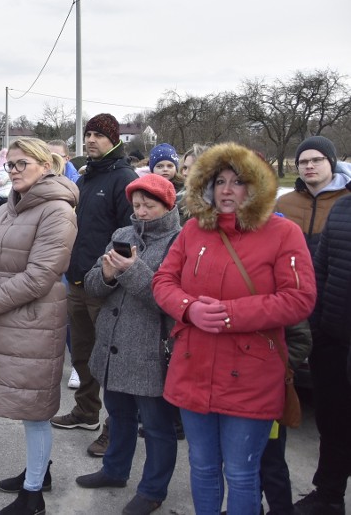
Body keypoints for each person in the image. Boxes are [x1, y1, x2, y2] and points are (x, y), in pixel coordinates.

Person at [152, 142, 316, 515]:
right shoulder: (193, 230)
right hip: (193, 366)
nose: (226, 190)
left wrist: (229, 315)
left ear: (255, 187)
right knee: (203, 467)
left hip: (252, 374)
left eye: (237, 182)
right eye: (219, 181)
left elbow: (300, 298)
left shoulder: (283, 233)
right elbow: (163, 281)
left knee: (242, 473)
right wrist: (189, 309)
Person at [0, 138, 79, 515]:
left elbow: (40, 276)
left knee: (35, 408)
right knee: (30, 407)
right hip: (6, 318)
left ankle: (33, 497)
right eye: (9, 163)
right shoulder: (7, 208)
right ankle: (37, 471)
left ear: (46, 166)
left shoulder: (58, 211)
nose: (12, 170)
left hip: (33, 322)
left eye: (21, 163)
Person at [76, 174, 181, 515]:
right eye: (136, 205)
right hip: (113, 344)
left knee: (156, 427)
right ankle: (115, 470)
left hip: (150, 351)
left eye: (149, 205)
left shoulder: (179, 242)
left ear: (168, 205)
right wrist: (107, 274)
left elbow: (170, 301)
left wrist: (132, 270)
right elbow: (93, 285)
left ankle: (152, 490)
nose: (142, 211)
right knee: (118, 415)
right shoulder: (122, 235)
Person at [51, 113, 138, 461]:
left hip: (105, 288)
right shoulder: (86, 179)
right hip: (75, 282)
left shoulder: (124, 179)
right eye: (87, 134)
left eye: (99, 135)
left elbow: (128, 235)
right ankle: (86, 411)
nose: (90, 140)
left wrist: (107, 274)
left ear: (114, 140)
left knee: (111, 361)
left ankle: (113, 428)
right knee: (83, 354)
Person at [294, 195, 351, 514]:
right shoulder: (343, 208)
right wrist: (315, 328)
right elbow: (320, 271)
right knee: (333, 423)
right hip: (331, 342)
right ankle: (329, 495)